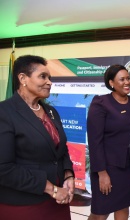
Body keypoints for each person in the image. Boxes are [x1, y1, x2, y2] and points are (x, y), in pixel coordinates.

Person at [0, 55, 75, 220]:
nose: (49, 82)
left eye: (50, 77)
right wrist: (52, 189)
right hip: (24, 203)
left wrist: (68, 174)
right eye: (43, 76)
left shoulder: (51, 112)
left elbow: (61, 150)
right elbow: (4, 169)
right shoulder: (4, 112)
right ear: (22, 78)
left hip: (59, 200)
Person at [87, 64, 130, 220]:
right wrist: (102, 173)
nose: (127, 82)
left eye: (128, 78)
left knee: (123, 206)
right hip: (107, 168)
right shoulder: (100, 103)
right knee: (100, 212)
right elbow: (95, 141)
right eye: (122, 79)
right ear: (111, 83)